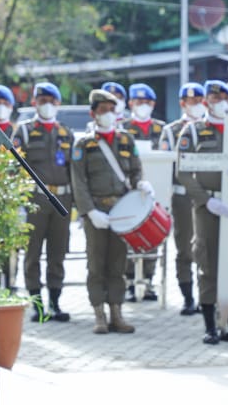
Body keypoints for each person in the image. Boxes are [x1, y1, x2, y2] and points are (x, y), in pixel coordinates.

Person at [176, 80, 228, 344]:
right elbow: (183, 172)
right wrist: (205, 200)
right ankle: (210, 325)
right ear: (206, 102)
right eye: (213, 98)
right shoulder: (193, 131)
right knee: (208, 263)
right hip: (208, 207)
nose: (218, 102)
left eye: (223, 98)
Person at [71, 88, 150, 334]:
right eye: (102, 110)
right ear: (93, 113)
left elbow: (135, 169)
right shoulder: (83, 144)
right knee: (96, 264)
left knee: (118, 263)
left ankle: (117, 312)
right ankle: (99, 315)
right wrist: (89, 211)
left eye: (111, 110)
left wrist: (140, 183)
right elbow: (79, 181)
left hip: (122, 209)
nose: (107, 115)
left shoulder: (126, 139)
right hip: (97, 210)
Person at [13, 81, 74, 322]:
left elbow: (73, 170)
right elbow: (14, 168)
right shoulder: (25, 131)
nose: (46, 105)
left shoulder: (66, 133)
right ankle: (37, 306)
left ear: (58, 103)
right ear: (34, 103)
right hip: (35, 199)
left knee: (57, 253)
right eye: (42, 101)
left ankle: (55, 304)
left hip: (62, 199)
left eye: (51, 101)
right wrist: (18, 201)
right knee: (33, 254)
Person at [159, 82, 207, 316]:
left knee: (206, 249)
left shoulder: (211, 128)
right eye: (190, 102)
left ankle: (207, 296)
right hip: (181, 197)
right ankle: (188, 297)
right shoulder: (171, 131)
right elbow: (165, 168)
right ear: (182, 104)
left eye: (199, 101)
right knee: (185, 248)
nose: (195, 106)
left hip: (207, 197)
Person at [120, 82, 165, 301]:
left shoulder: (161, 128)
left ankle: (148, 281)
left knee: (153, 236)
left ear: (153, 104)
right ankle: (129, 281)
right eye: (138, 102)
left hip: (156, 188)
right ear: (130, 104)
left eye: (146, 102)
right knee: (130, 236)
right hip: (130, 189)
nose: (142, 106)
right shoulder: (123, 128)